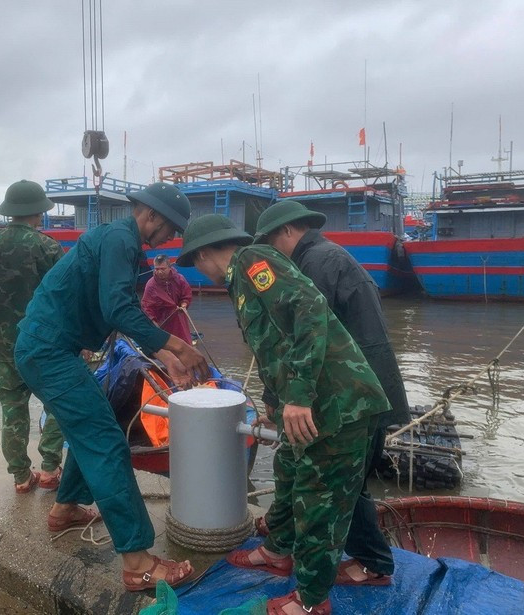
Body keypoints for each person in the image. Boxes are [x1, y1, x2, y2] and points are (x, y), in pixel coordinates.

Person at [177, 214, 390, 615]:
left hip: (338, 404)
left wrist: (299, 396)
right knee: (289, 471)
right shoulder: (240, 281)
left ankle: (311, 601)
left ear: (205, 253)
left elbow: (309, 310)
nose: (198, 273)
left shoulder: (255, 261)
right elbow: (273, 343)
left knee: (318, 502)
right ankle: (277, 551)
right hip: (312, 405)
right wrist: (275, 404)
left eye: (196, 264)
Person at [14, 182, 211, 591]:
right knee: (106, 442)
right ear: (150, 215)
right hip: (49, 351)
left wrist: (166, 357)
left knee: (92, 426)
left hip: (47, 348)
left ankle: (65, 507)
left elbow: (122, 308)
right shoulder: (122, 240)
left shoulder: (118, 239)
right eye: (170, 227)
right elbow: (117, 308)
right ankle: (138, 561)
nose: (171, 237)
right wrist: (178, 344)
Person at [253, 199, 411, 584]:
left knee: (347, 484)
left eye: (273, 244)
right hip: (369, 387)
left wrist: (284, 398)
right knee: (349, 482)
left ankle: (374, 563)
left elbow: (307, 339)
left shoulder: (314, 265)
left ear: (289, 231)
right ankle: (314, 540)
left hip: (358, 396)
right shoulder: (331, 257)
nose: (273, 255)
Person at [0, 180, 64, 494]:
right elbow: (63, 299)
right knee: (60, 405)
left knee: (12, 410)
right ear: (37, 211)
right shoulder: (48, 247)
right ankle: (50, 468)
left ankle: (21, 476)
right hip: (44, 346)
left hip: (5, 348)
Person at [141, 253, 193, 343]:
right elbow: (146, 307)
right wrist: (154, 323)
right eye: (157, 269)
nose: (160, 272)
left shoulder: (179, 279)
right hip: (162, 322)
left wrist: (184, 305)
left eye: (163, 269)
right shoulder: (151, 285)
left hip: (179, 319)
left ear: (169, 267)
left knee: (185, 345)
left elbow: (186, 295)